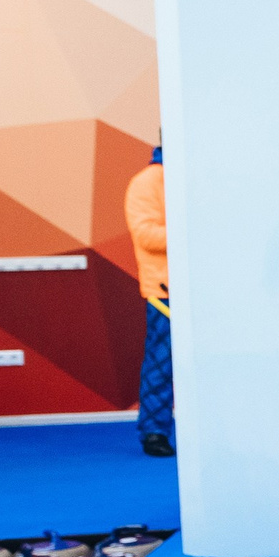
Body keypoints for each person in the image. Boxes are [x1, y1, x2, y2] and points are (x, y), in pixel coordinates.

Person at [123, 141, 172, 457]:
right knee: (161, 363)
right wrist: (196, 230)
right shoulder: (147, 182)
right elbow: (146, 235)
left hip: (210, 290)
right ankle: (155, 431)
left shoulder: (205, 176)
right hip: (166, 290)